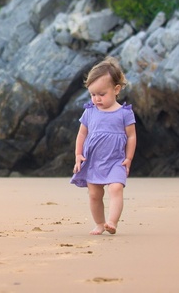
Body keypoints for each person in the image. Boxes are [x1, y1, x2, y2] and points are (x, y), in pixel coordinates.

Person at [71, 57, 136, 235]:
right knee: (94, 194)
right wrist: (78, 155)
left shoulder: (124, 113)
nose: (96, 99)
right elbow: (82, 133)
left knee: (116, 188)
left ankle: (112, 222)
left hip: (116, 160)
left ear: (116, 90)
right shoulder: (90, 111)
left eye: (101, 94)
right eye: (92, 94)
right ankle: (99, 223)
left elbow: (131, 136)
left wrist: (128, 158)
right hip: (93, 159)